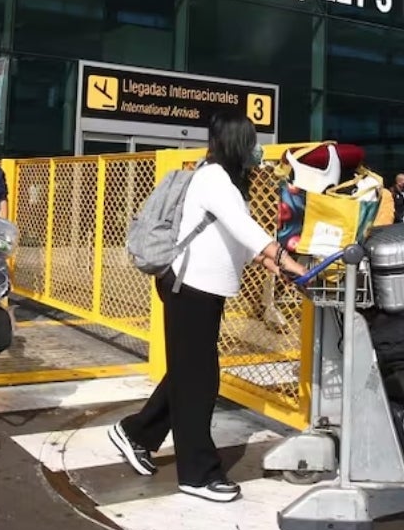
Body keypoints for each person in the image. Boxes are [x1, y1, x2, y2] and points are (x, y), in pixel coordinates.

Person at [108, 112, 307, 503]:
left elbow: (241, 240)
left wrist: (275, 264)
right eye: (251, 141)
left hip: (202, 291)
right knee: (200, 381)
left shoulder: (227, 182)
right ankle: (197, 474)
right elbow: (246, 229)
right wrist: (287, 260)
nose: (257, 150)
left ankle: (136, 432)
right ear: (236, 143)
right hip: (189, 288)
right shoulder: (214, 178)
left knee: (188, 373)